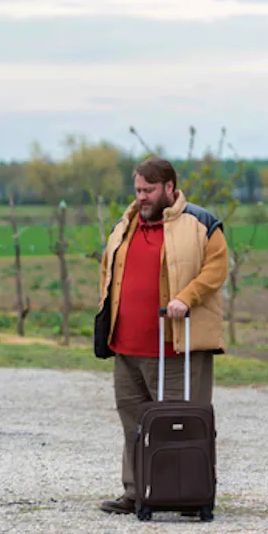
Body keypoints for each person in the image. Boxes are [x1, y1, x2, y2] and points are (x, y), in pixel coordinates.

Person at [94, 156, 228, 515]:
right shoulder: (125, 224)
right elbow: (109, 270)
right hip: (127, 347)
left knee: (178, 424)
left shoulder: (200, 223)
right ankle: (137, 493)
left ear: (170, 188)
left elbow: (216, 269)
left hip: (174, 347)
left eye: (149, 190)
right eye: (138, 190)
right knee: (134, 425)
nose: (142, 197)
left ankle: (184, 494)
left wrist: (186, 297)